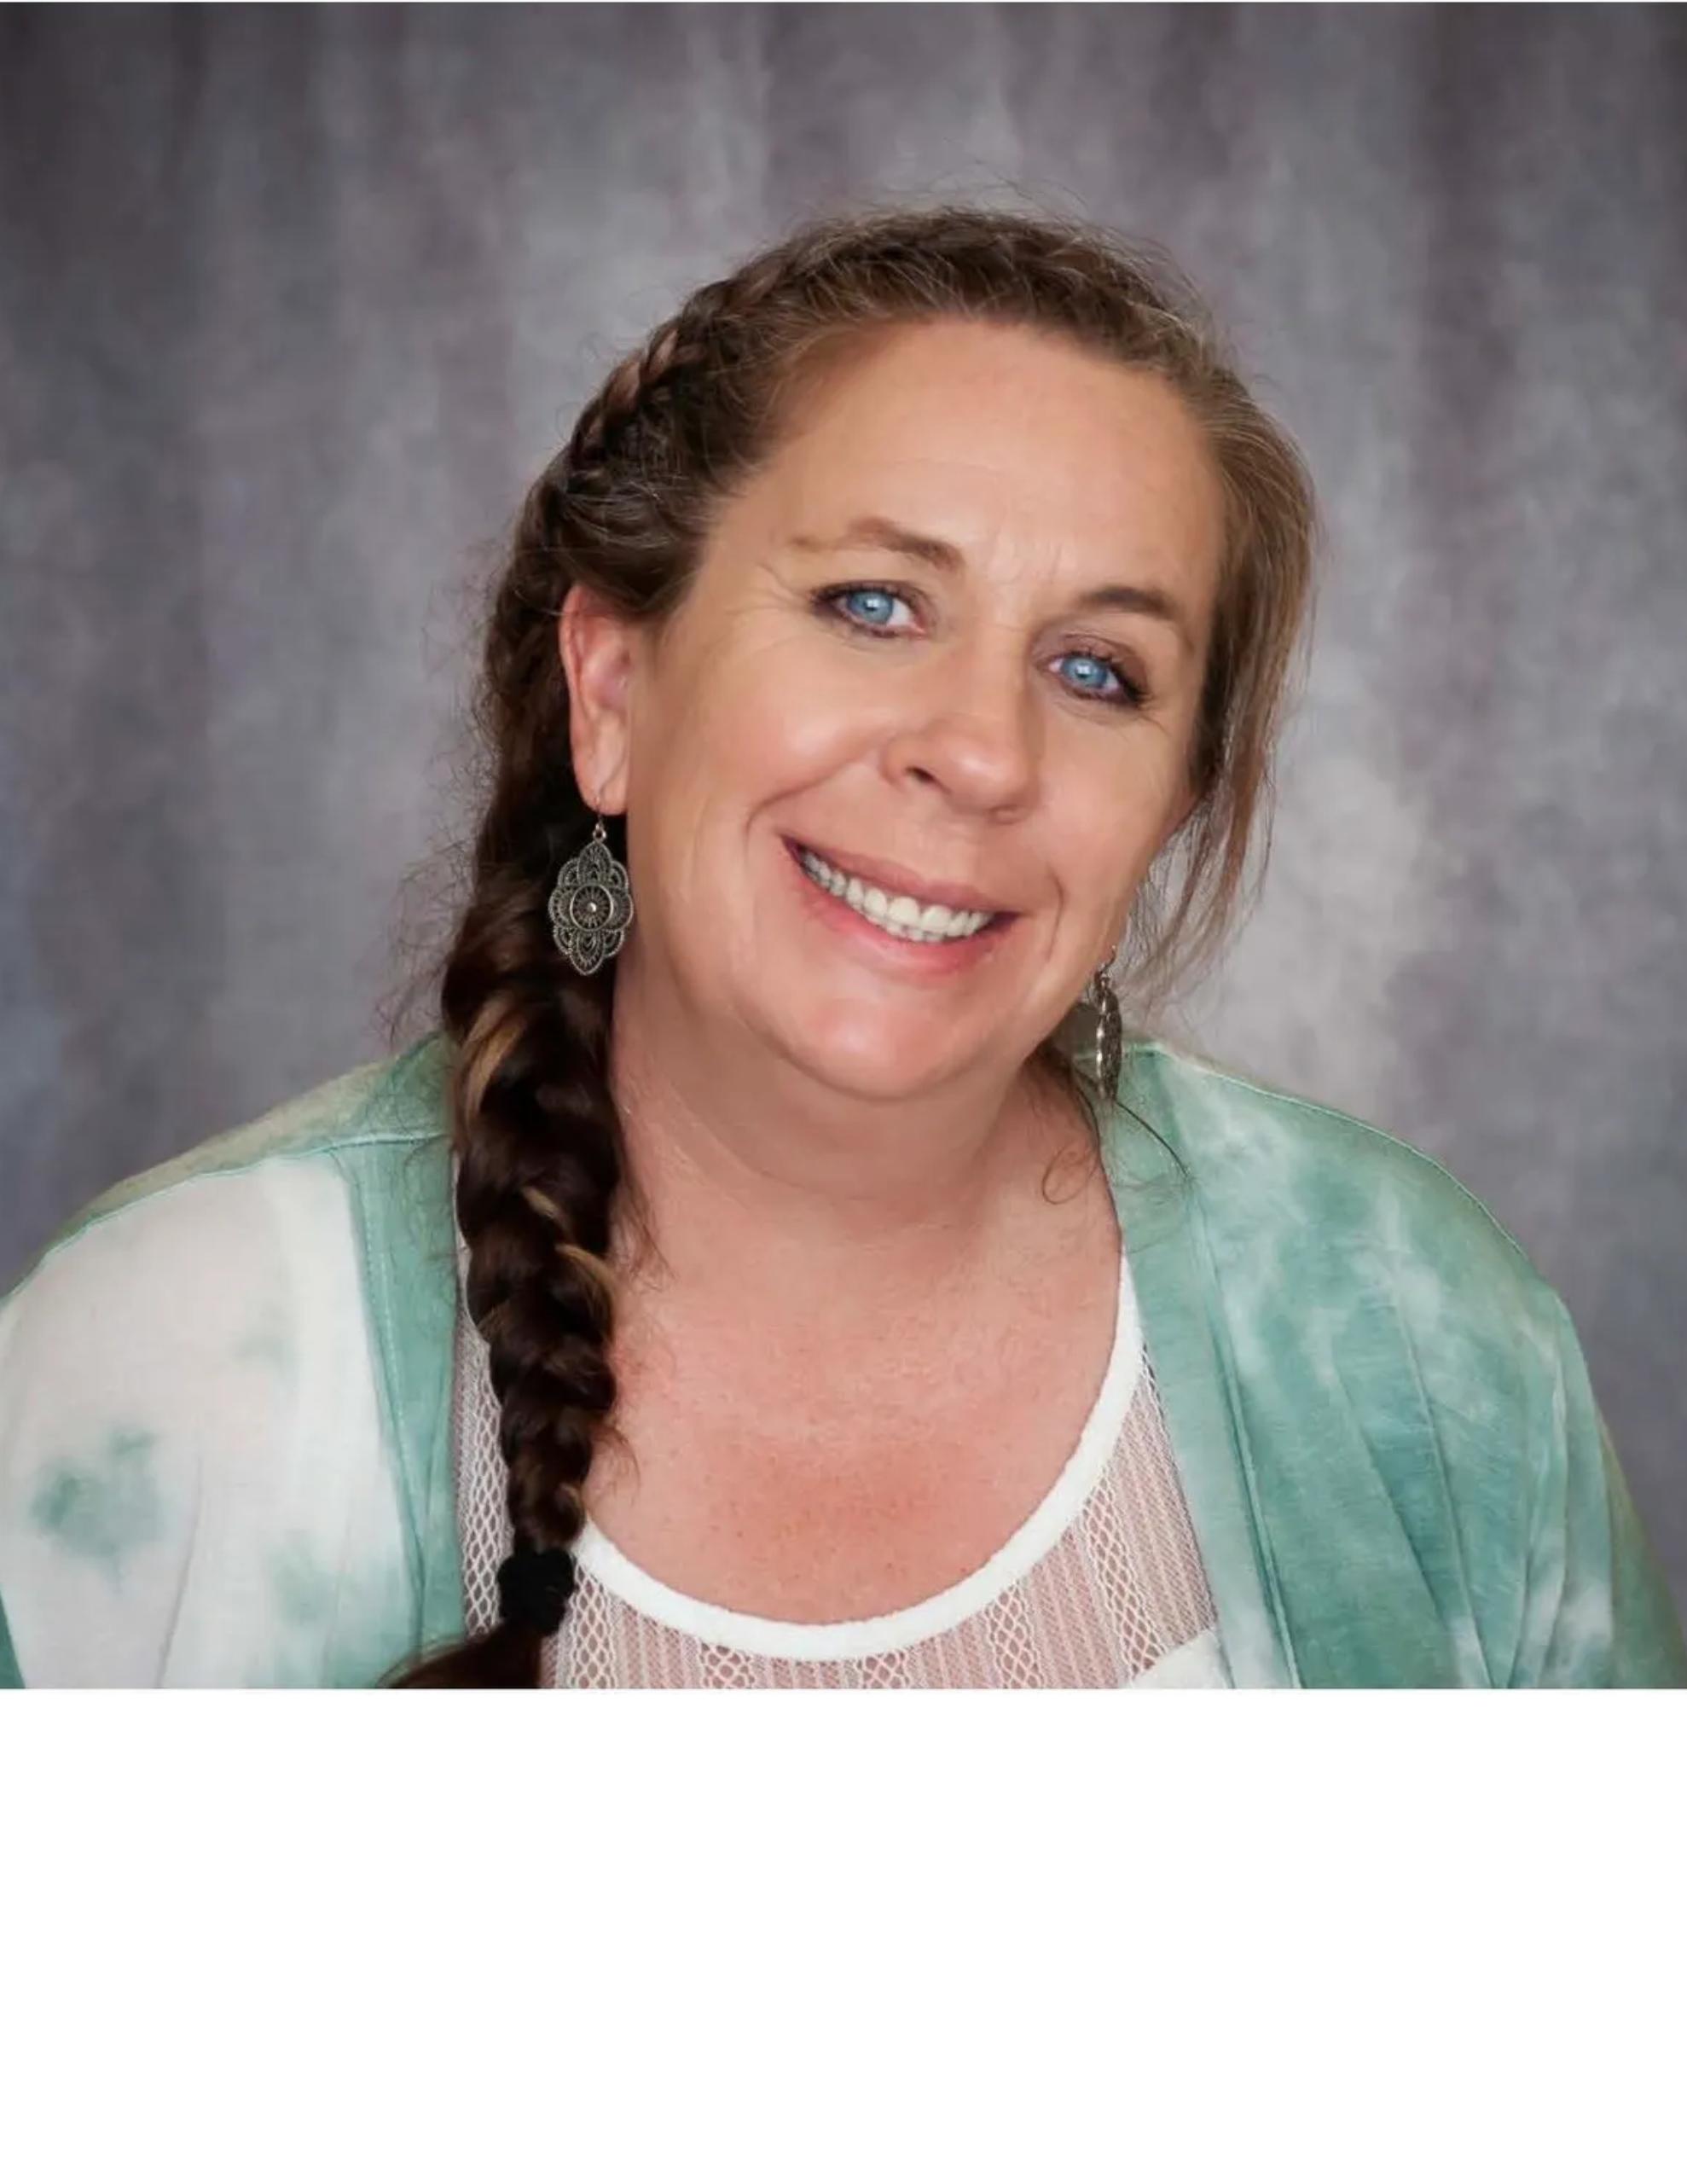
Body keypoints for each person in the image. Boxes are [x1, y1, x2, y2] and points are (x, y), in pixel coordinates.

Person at [2, 204, 1681, 1691]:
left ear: (1163, 811)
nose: (982, 751)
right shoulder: (150, 1366)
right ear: (612, 693)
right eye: (873, 603)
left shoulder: (1414, 1334)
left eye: (1096, 669)